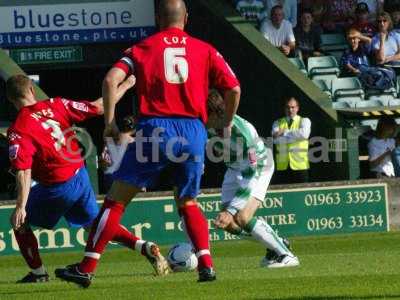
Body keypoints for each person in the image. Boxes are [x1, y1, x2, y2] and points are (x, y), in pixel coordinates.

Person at [55, 0, 241, 286]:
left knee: (115, 201)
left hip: (157, 127)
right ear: (186, 18)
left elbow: (109, 80)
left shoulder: (143, 48)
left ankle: (86, 267)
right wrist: (226, 122)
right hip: (192, 130)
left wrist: (110, 124)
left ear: (157, 18)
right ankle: (206, 265)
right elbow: (234, 87)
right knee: (188, 201)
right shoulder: (206, 49)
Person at [5, 74, 161, 284]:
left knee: (19, 224)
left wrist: (20, 206)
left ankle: (39, 273)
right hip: (80, 176)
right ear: (32, 90)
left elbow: (24, 170)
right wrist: (127, 84)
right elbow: (99, 106)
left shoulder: (19, 128)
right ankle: (145, 247)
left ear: (11, 99)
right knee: (95, 226)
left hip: (57, 186)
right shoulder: (57, 104)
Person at [207, 90, 299, 268]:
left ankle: (287, 255)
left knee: (241, 216)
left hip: (259, 168)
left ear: (215, 113)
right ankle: (275, 242)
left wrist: (231, 210)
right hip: (233, 168)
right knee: (228, 224)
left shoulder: (243, 133)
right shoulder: (207, 123)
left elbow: (251, 172)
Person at [271, 97, 311, 184]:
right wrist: (296, 137)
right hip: (282, 166)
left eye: (293, 107)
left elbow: (304, 134)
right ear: (284, 108)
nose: (290, 109)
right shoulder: (277, 122)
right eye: (288, 107)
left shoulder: (304, 120)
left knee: (302, 193)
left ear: (297, 108)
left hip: (300, 166)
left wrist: (284, 132)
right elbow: (275, 140)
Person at [100, 115, 137, 191]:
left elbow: (103, 159)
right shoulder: (135, 142)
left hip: (110, 178)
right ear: (134, 129)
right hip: (127, 180)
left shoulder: (109, 141)